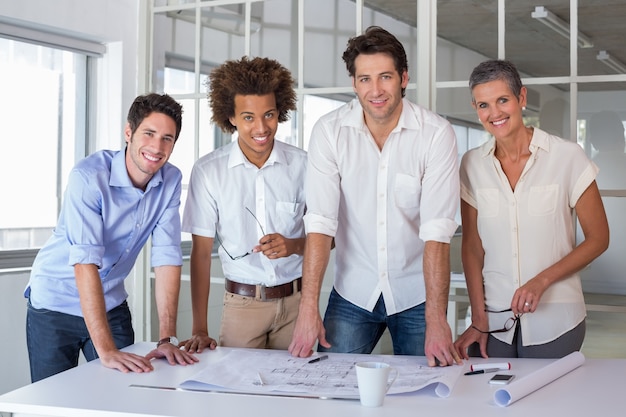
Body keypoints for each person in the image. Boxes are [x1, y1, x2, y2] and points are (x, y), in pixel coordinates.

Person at [288, 26, 462, 367]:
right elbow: (321, 224)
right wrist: (308, 309)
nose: (375, 90)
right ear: (354, 83)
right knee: (331, 388)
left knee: (425, 393)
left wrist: (437, 317)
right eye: (365, 79)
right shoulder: (329, 131)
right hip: (353, 290)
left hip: (417, 295)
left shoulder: (436, 134)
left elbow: (438, 232)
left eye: (385, 77)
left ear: (403, 78)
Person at [25, 93, 198, 382]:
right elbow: (85, 263)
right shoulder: (89, 176)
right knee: (52, 402)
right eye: (149, 133)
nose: (157, 147)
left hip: (110, 302)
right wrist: (105, 351)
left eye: (167, 138)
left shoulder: (171, 179)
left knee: (126, 391)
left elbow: (167, 256)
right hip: (55, 304)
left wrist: (167, 337)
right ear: (128, 132)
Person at [453, 60, 609, 359]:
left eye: (502, 100)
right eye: (484, 105)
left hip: (557, 318)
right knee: (488, 402)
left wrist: (541, 280)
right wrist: (478, 315)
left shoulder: (566, 156)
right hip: (494, 319)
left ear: (521, 98)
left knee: (548, 405)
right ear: (476, 108)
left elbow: (599, 238)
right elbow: (472, 247)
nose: (494, 113)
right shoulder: (471, 164)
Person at [180, 56, 306, 352]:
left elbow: (332, 237)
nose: (261, 127)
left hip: (298, 306)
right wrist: (199, 328)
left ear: (280, 112)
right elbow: (200, 254)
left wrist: (294, 245)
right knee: (237, 395)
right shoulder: (209, 171)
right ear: (232, 117)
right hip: (241, 306)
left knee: (299, 394)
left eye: (269, 115)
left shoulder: (304, 165)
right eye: (248, 117)